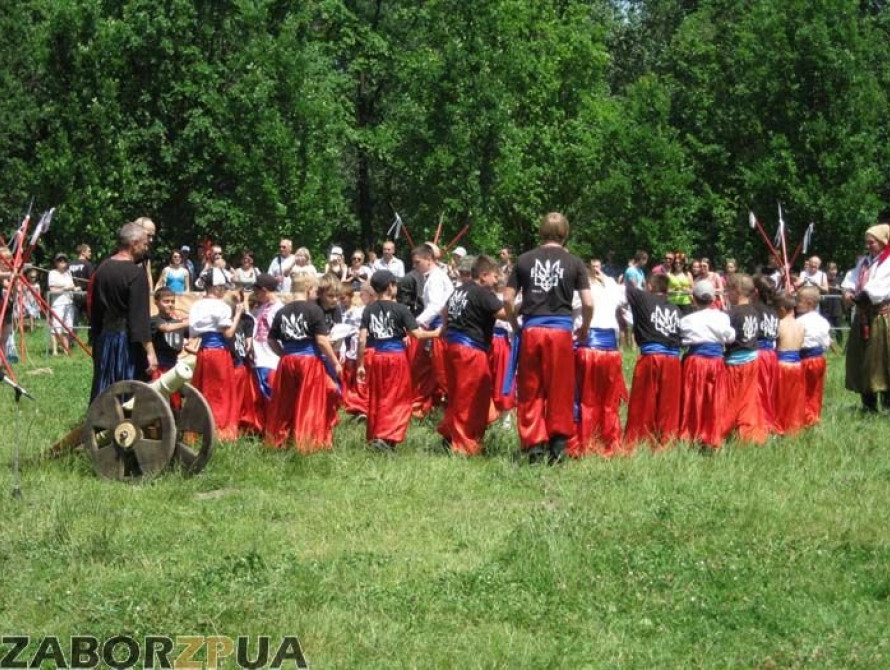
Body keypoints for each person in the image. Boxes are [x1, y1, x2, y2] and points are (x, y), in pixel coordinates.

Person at [503, 212, 592, 464]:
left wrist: (513, 324)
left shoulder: (523, 260)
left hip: (532, 328)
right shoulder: (575, 262)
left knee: (531, 388)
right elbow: (587, 302)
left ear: (541, 232)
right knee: (560, 388)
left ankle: (534, 447)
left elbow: (507, 298)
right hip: (561, 331)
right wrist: (584, 327)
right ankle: (558, 446)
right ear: (565, 234)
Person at [357, 270, 440, 452]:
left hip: (377, 357)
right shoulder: (401, 309)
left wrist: (360, 364)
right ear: (390, 287)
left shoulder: (368, 310)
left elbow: (362, 339)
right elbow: (417, 334)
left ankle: (376, 435)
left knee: (378, 397)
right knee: (398, 398)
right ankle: (388, 437)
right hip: (396, 359)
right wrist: (438, 332)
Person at [264, 273, 342, 452]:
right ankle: (307, 443)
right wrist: (335, 362)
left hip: (287, 361)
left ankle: (278, 441)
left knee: (285, 402)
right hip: (309, 361)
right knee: (309, 403)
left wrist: (284, 354)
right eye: (315, 290)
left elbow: (271, 340)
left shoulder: (282, 311)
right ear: (308, 290)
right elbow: (322, 341)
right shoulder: (314, 310)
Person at [437, 255, 505, 456]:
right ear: (483, 275)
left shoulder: (459, 290)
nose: (497, 280)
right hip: (470, 350)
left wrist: (447, 329)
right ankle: (465, 446)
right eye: (495, 276)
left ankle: (450, 436)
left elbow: (444, 312)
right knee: (472, 397)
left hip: (452, 346)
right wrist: (524, 307)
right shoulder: (483, 293)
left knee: (458, 395)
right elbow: (504, 314)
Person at [89, 223, 157, 401]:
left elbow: (95, 310)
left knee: (106, 386)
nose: (146, 247)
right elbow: (139, 319)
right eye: (144, 243)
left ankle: (104, 421)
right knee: (129, 389)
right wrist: (150, 351)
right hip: (126, 345)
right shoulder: (136, 273)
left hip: (106, 339)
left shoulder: (102, 268)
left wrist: (96, 339)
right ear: (134, 244)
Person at [569, 259, 628, 457]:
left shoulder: (579, 293)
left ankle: (584, 441)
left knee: (586, 398)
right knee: (608, 400)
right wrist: (606, 278)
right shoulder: (611, 290)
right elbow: (622, 295)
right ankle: (608, 440)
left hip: (589, 349)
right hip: (611, 352)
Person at [623, 273, 682, 449]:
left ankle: (638, 440)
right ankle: (667, 440)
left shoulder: (642, 298)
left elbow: (627, 289)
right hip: (673, 359)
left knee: (643, 401)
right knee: (669, 404)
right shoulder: (676, 308)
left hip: (652, 357)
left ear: (649, 286)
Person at [189, 268, 243, 441]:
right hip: (219, 352)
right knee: (221, 391)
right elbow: (228, 334)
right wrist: (237, 315)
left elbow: (194, 333)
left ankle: (201, 427)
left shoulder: (197, 305)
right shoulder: (222, 306)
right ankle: (220, 429)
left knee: (203, 387)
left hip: (204, 351)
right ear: (217, 288)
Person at [678, 280, 734, 448]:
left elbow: (682, 339)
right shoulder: (722, 317)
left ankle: (691, 433)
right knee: (714, 398)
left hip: (694, 361)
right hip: (716, 361)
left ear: (693, 299)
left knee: (693, 397)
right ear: (713, 299)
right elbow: (730, 337)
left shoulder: (687, 320)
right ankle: (713, 433)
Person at [844, 221, 890, 412]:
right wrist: (846, 291)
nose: (868, 245)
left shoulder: (887, 262)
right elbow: (851, 278)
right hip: (862, 316)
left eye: (872, 242)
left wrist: (856, 297)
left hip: (880, 318)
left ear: (883, 242)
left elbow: (877, 289)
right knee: (861, 359)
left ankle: (887, 404)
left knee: (883, 360)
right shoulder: (864, 262)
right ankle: (868, 404)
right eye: (867, 242)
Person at [407, 244, 454, 415]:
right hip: (435, 327)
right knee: (429, 368)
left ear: (428, 259)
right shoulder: (434, 276)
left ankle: (447, 405)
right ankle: (429, 404)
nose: (415, 266)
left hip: (438, 329)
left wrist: (415, 322)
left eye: (417, 262)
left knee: (440, 370)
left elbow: (435, 306)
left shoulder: (435, 279)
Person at [724, 273, 768, 445]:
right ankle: (747, 432)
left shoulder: (731, 314)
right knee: (748, 399)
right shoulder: (755, 311)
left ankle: (728, 430)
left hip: (735, 362)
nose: (727, 294)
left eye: (729, 290)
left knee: (731, 399)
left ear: (737, 291)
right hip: (752, 359)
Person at [796, 286, 831, 427]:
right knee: (816, 389)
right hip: (819, 358)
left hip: (805, 358)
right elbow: (826, 342)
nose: (796, 303)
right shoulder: (823, 321)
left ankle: (805, 417)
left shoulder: (800, 322)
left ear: (809, 303)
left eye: (799, 301)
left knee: (803, 390)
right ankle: (814, 415)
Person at [774, 292, 806, 435]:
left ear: (781, 309)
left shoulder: (779, 324)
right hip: (797, 365)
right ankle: (794, 427)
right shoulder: (801, 325)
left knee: (780, 399)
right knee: (794, 399)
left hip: (782, 363)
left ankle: (780, 427)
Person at [250, 273, 284, 402]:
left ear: (264, 290)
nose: (255, 294)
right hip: (260, 352)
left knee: (271, 385)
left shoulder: (278, 308)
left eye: (256, 291)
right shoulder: (263, 307)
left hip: (271, 355)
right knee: (261, 385)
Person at [753, 274, 780, 433]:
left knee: (759, 391)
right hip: (771, 354)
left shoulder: (755, 310)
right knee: (768, 390)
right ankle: (768, 422)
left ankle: (761, 424)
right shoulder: (773, 311)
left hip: (759, 353)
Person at [150, 287, 189, 375]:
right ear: (156, 302)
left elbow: (195, 333)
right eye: (166, 301)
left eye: (172, 301)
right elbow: (166, 328)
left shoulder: (177, 322)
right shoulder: (154, 320)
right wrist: (186, 323)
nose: (170, 304)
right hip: (159, 365)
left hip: (174, 364)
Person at [48, 253, 77, 355]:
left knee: (68, 327)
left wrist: (75, 289)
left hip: (69, 302)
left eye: (64, 261)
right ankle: (55, 351)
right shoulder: (52, 273)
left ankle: (66, 349)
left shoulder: (68, 273)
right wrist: (65, 288)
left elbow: (72, 286)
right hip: (58, 304)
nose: (63, 263)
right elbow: (52, 290)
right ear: (56, 263)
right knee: (56, 327)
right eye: (60, 261)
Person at [68, 243, 93, 324]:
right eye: (89, 251)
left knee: (73, 321)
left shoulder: (70, 264)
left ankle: (72, 336)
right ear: (83, 252)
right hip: (85, 295)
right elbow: (91, 281)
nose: (90, 253)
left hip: (72, 295)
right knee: (91, 319)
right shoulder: (88, 264)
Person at [824, 261, 845, 347]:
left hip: (837, 307)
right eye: (831, 269)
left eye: (834, 269)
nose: (833, 271)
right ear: (827, 271)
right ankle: (828, 345)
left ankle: (840, 344)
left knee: (838, 327)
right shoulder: (824, 280)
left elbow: (845, 291)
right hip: (826, 307)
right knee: (826, 328)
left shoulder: (840, 280)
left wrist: (840, 289)